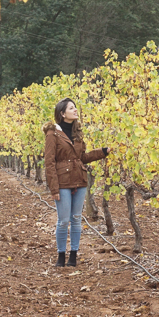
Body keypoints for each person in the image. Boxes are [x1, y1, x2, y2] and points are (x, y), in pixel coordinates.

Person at [43, 98, 110, 267]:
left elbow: (82, 158)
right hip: (63, 182)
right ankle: (60, 256)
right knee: (63, 220)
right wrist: (54, 188)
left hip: (79, 180)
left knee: (76, 219)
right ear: (62, 113)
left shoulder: (77, 133)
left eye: (75, 107)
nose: (75, 110)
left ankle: (73, 255)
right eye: (71, 108)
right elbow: (49, 162)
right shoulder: (52, 134)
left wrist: (102, 152)